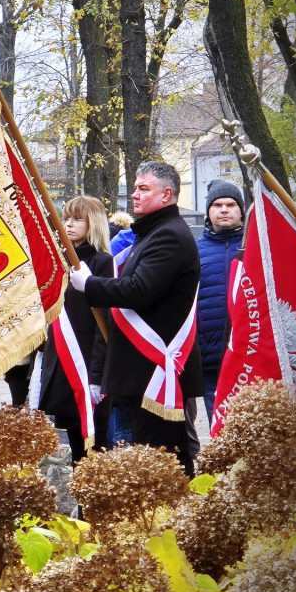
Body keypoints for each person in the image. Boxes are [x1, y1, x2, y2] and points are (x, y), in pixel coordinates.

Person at [70, 161, 203, 475]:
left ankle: (172, 519)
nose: (134, 195)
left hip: (154, 367)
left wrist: (89, 285)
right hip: (139, 368)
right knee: (148, 456)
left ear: (166, 194)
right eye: (134, 188)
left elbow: (139, 290)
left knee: (163, 459)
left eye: (143, 189)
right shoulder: (153, 232)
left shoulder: (169, 236)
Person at [37, 196, 113, 465]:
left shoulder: (102, 262)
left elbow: (105, 324)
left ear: (92, 222)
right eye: (66, 217)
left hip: (87, 367)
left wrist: (96, 376)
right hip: (60, 366)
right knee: (75, 451)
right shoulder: (58, 261)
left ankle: (94, 507)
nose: (68, 224)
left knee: (96, 449)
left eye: (77, 218)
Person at [195, 179, 245, 423]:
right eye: (217, 205)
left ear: (241, 211)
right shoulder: (194, 251)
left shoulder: (256, 247)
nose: (224, 209)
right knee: (219, 431)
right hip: (211, 359)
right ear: (208, 212)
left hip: (250, 356)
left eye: (231, 204)